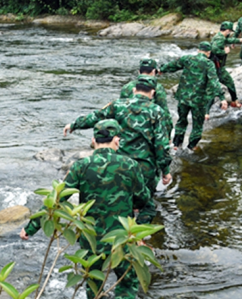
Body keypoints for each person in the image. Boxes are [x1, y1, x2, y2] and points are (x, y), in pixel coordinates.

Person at [21, 120, 151, 299]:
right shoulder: (130, 165)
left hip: (92, 239)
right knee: (127, 283)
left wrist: (30, 228)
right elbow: (143, 199)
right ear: (117, 140)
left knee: (93, 285)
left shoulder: (81, 166)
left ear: (93, 140)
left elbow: (57, 200)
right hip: (122, 239)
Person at [63, 75, 172, 209]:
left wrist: (74, 125)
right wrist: (165, 170)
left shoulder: (118, 105)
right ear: (152, 92)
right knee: (143, 204)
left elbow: (97, 116)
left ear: (133, 90)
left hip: (119, 163)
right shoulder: (156, 111)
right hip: (145, 167)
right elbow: (161, 144)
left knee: (118, 199)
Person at [160, 41, 228, 151]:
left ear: (198, 50)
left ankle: (177, 144)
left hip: (183, 98)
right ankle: (191, 146)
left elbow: (172, 66)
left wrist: (161, 70)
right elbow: (214, 81)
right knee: (197, 125)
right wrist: (222, 97)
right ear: (209, 52)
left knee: (181, 120)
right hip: (199, 100)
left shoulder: (187, 58)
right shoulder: (208, 63)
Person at [120, 58, 173, 138]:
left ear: (139, 72)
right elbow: (164, 113)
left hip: (128, 131)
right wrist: (168, 135)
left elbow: (120, 110)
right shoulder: (157, 88)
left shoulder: (127, 87)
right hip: (148, 131)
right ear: (153, 72)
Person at [210, 21, 242, 108]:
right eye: (230, 31)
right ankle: (234, 101)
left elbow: (228, 40)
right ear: (227, 31)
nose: (229, 33)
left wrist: (240, 40)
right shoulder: (220, 38)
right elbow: (214, 50)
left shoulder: (219, 36)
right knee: (230, 83)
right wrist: (224, 52)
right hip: (217, 67)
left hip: (213, 66)